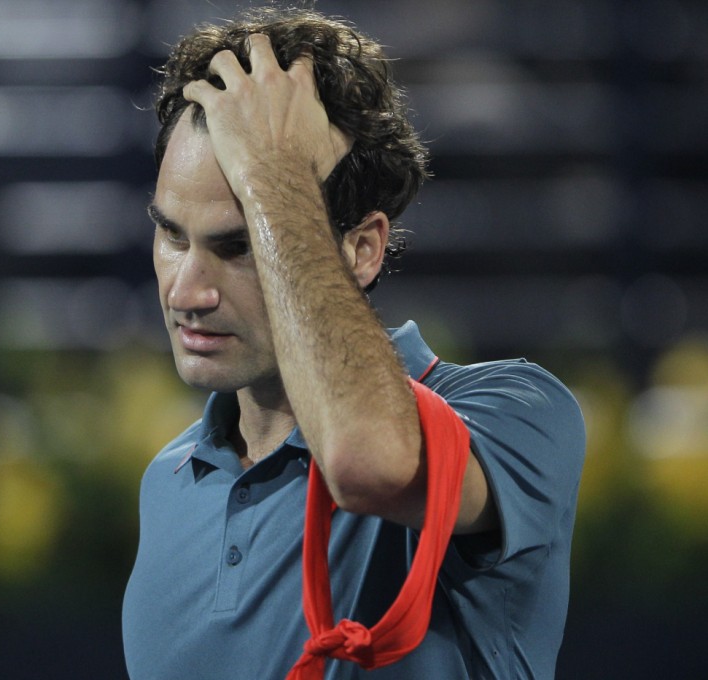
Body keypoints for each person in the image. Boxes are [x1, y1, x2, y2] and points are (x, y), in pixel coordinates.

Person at [122, 7, 585, 679]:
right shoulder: (165, 482)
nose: (188, 292)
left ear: (363, 249)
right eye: (172, 235)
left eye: (241, 245)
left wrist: (274, 176)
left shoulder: (518, 412)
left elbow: (369, 462)